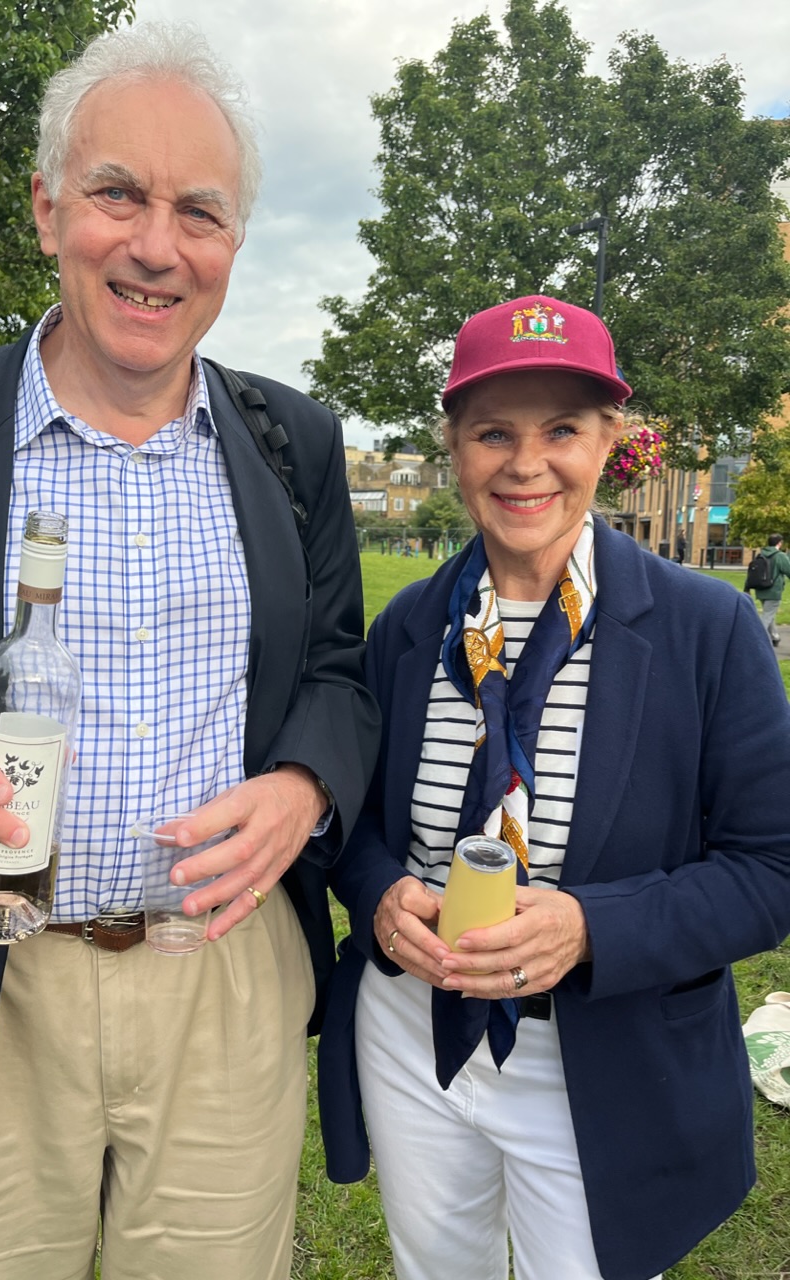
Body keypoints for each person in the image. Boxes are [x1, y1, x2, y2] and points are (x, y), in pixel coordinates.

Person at [0, 22, 379, 1280]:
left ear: (234, 246)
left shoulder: (295, 447)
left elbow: (341, 672)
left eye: (200, 211)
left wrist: (302, 788)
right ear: (46, 208)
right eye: (116, 192)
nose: (154, 245)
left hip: (221, 983)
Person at [317, 294, 790, 1280]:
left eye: (561, 429)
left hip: (601, 1053)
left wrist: (588, 926)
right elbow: (351, 824)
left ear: (609, 441)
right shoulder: (407, 627)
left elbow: (770, 868)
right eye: (494, 431)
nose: (526, 464)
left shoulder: (710, 629)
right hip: (414, 1032)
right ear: (454, 446)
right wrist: (378, 894)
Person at [745, 534, 790, 646]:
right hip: (773, 591)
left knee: (769, 613)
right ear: (779, 543)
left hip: (760, 590)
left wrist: (747, 588)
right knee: (767, 616)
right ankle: (756, 640)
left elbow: (752, 572)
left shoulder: (760, 554)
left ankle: (775, 637)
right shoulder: (780, 556)